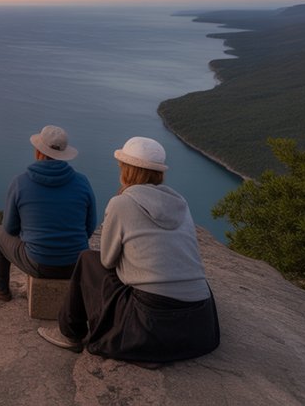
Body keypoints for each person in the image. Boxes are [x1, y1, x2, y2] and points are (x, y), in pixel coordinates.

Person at [38, 136, 220, 365]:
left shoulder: (121, 203)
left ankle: (70, 333)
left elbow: (107, 260)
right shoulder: (180, 203)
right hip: (199, 322)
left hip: (150, 319)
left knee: (87, 260)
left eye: (121, 166)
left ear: (127, 170)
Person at [0, 125, 97, 302]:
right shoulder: (82, 182)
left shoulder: (21, 182)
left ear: (38, 152)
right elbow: (89, 228)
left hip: (39, 264)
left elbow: (10, 228)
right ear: (64, 154)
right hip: (76, 264)